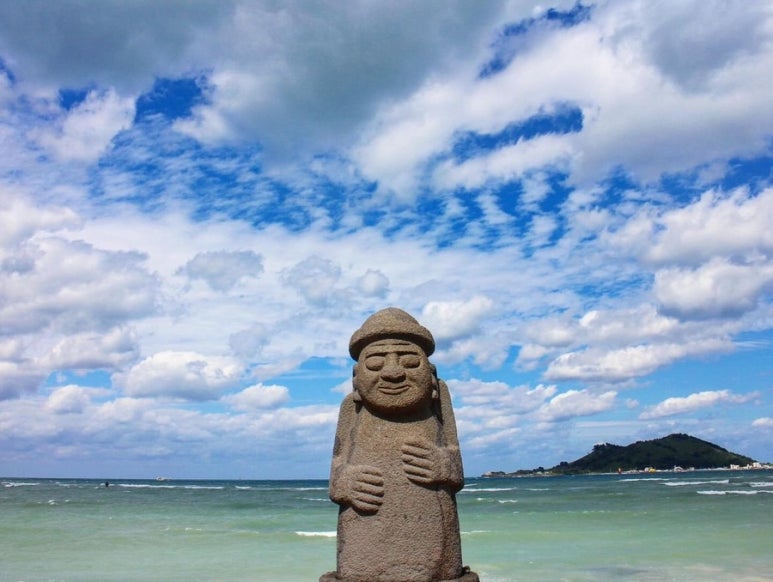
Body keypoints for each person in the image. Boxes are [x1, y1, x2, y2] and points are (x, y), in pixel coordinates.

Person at [323, 308, 476, 582]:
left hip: (432, 533)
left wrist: (444, 465)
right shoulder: (351, 408)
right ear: (356, 377)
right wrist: (345, 482)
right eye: (375, 364)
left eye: (408, 361)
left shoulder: (438, 401)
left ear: (431, 374)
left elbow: (455, 466)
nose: (393, 372)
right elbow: (336, 474)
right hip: (364, 534)